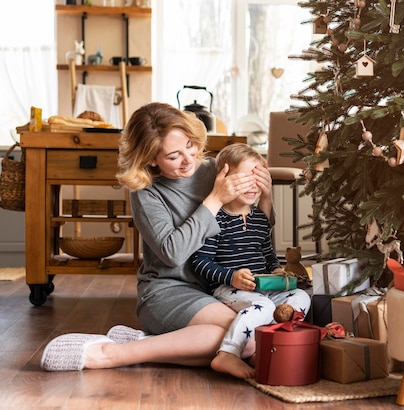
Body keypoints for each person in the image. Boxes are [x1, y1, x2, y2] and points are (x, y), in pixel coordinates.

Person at [40, 102, 274, 371]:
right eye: (174, 156)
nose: (188, 159)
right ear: (151, 159)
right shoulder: (147, 192)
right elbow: (173, 254)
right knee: (248, 341)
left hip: (220, 289)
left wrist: (265, 197)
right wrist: (214, 200)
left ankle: (150, 343)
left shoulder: (216, 170)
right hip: (169, 291)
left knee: (255, 338)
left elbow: (254, 238)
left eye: (189, 145)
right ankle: (112, 354)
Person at [190, 143, 311, 379]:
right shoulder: (216, 218)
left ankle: (278, 340)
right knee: (264, 307)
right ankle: (228, 353)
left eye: (257, 177)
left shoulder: (258, 218)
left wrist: (277, 270)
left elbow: (267, 253)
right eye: (243, 178)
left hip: (262, 289)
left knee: (302, 296)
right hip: (228, 288)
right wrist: (231, 277)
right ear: (223, 179)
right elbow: (200, 261)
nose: (251, 185)